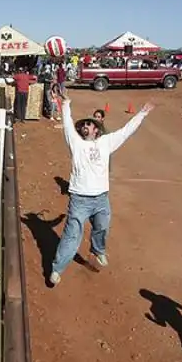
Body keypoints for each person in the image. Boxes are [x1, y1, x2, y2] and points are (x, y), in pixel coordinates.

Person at [49, 93, 154, 286]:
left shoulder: (106, 142)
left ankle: (98, 250)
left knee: (102, 227)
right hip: (80, 199)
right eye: (83, 125)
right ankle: (57, 269)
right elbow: (67, 124)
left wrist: (141, 114)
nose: (85, 126)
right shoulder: (76, 144)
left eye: (89, 124)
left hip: (101, 198)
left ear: (96, 130)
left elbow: (126, 131)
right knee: (71, 236)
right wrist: (66, 104)